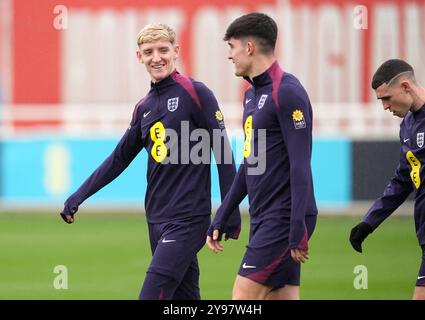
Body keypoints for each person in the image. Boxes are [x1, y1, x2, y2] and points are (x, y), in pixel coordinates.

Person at [60, 23, 240, 300]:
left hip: (189, 219)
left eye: (163, 50)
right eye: (149, 52)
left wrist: (229, 212)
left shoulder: (196, 93)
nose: (156, 57)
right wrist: (78, 195)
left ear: (176, 51)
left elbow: (222, 152)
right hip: (155, 219)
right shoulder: (143, 107)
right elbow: (118, 159)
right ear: (139, 57)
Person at [206, 13, 318, 300]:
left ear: (250, 48)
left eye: (232, 47)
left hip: (284, 218)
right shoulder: (251, 95)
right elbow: (250, 162)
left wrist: (297, 227)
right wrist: (223, 213)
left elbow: (300, 164)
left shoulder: (288, 92)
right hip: (264, 216)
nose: (229, 55)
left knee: (241, 299)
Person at [349, 59, 425, 300]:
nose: (384, 106)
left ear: (405, 86)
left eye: (386, 98)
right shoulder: (408, 127)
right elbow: (402, 181)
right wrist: (369, 223)